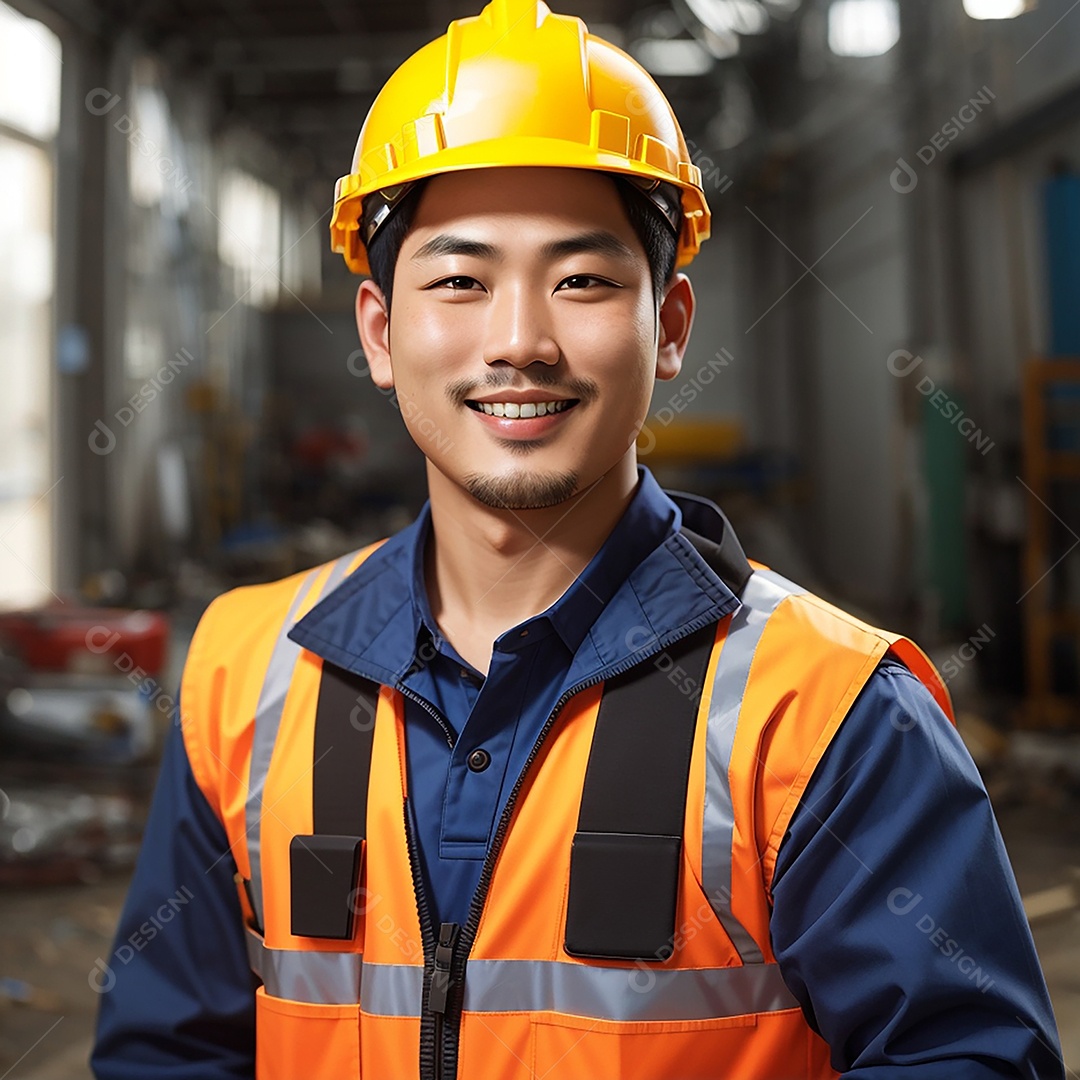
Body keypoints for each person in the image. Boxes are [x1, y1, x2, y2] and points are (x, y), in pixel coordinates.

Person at [91, 0, 1064, 1077]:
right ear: (378, 330)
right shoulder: (243, 677)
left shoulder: (827, 714)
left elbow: (967, 1058)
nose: (519, 340)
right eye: (459, 280)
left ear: (672, 327)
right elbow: (168, 1054)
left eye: (583, 280)